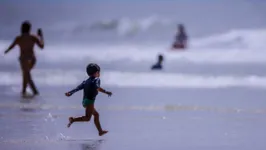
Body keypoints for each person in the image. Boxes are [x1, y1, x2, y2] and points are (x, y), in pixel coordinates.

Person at [65, 63, 112, 136]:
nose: (99, 74)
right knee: (87, 118)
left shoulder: (86, 81)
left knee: (96, 115)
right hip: (89, 101)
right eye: (99, 72)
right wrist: (106, 92)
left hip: (85, 101)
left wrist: (70, 93)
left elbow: (77, 88)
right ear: (96, 72)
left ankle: (100, 131)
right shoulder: (96, 79)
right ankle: (73, 119)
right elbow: (98, 88)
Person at [4, 21, 44, 96]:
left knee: (27, 75)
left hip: (23, 59)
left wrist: (6, 51)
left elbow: (11, 47)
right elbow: (42, 46)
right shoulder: (33, 37)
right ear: (29, 29)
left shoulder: (19, 38)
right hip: (32, 59)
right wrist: (41, 36)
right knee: (26, 74)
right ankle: (23, 91)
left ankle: (35, 92)